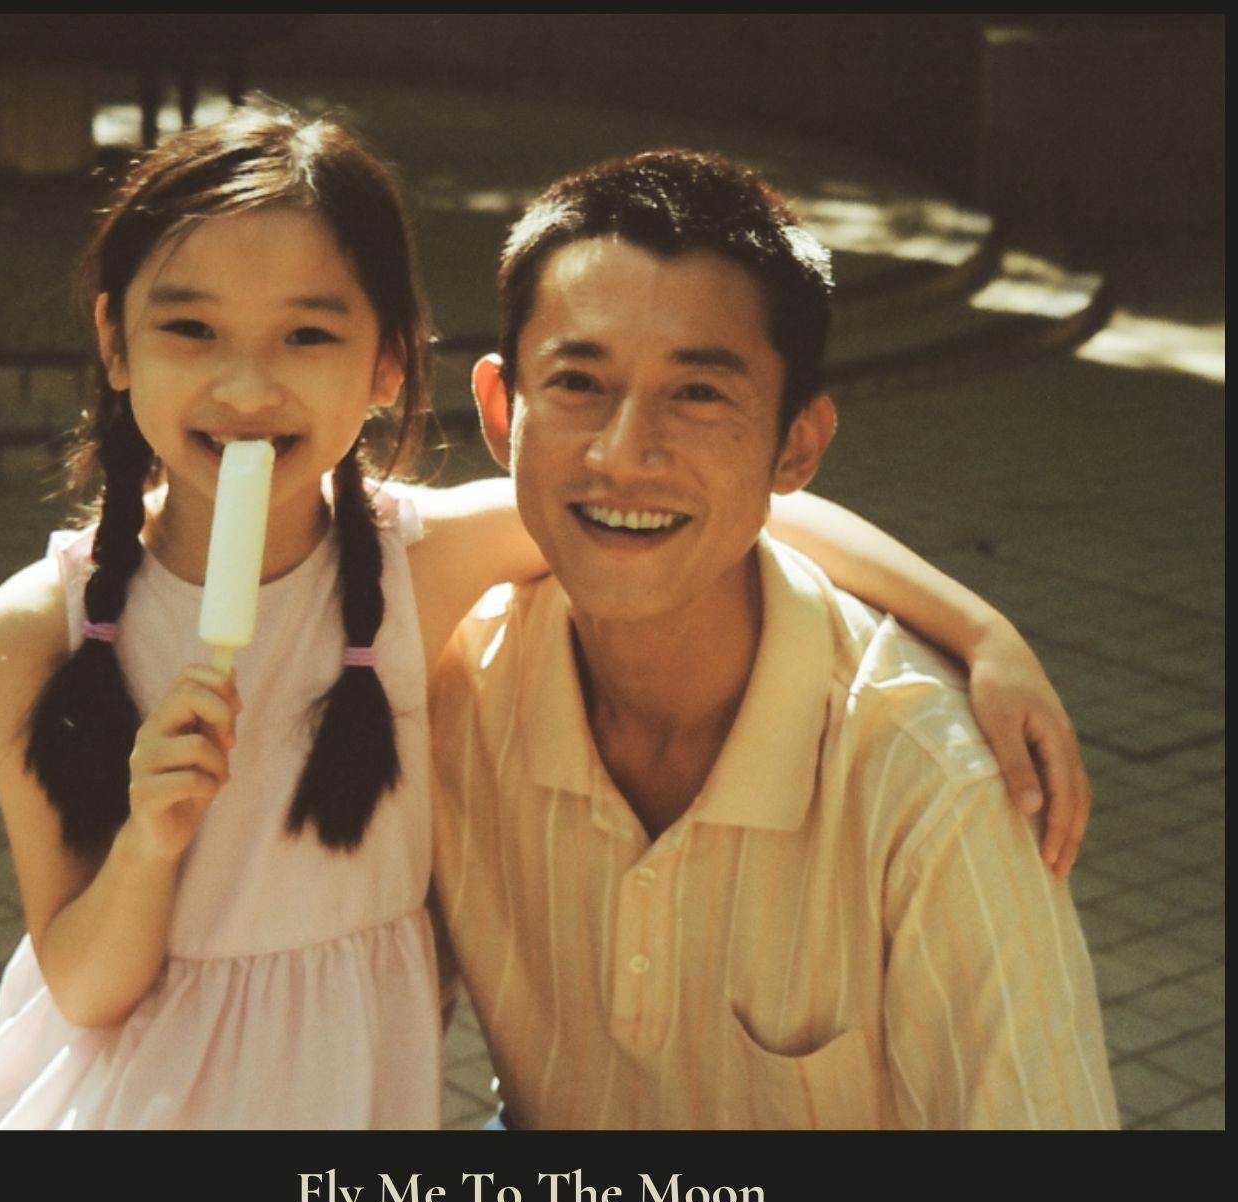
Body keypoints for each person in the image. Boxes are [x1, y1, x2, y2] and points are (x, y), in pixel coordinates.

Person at [0, 102, 1090, 1130]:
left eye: (307, 334)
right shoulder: (40, 625)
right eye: (190, 329)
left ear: (388, 365)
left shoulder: (412, 568)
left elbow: (715, 514)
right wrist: (151, 839)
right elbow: (83, 986)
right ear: (112, 341)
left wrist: (979, 632)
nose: (244, 385)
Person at [430, 149, 1119, 1130]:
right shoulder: (447, 687)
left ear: (796, 444)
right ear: (503, 412)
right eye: (578, 380)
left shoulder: (937, 791)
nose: (623, 454)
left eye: (698, 393)